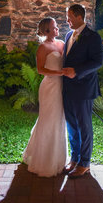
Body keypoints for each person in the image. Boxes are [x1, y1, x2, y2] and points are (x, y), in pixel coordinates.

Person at [62, 4, 103, 178]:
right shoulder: (68, 35)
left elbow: (97, 61)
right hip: (68, 89)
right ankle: (74, 158)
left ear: (80, 17)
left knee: (84, 127)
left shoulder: (92, 37)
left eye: (69, 17)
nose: (67, 20)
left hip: (84, 89)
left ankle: (84, 163)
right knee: (71, 126)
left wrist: (77, 71)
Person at [22, 17, 67, 177]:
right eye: (54, 28)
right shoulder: (43, 48)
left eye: (56, 27)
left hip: (62, 86)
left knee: (59, 120)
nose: (57, 29)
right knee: (48, 119)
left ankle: (59, 159)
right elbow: (41, 70)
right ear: (46, 30)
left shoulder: (62, 43)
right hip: (49, 86)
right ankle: (44, 160)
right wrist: (60, 73)